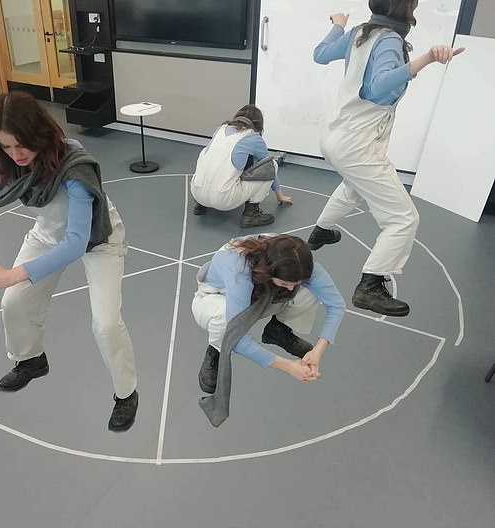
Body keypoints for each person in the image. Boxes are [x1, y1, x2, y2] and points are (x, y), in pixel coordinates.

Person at [0, 91, 138, 432]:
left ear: (40, 134)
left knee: (106, 323)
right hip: (48, 233)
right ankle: (31, 359)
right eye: (6, 147)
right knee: (14, 304)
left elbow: (76, 243)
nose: (16, 155)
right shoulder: (1, 163)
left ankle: (126, 393)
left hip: (98, 237)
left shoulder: (73, 165)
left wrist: (11, 274)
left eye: (21, 145)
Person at [306, 0, 464, 317]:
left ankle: (322, 230)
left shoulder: (360, 32)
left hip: (334, 138)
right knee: (403, 219)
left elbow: (320, 54)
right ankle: (370, 285)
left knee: (352, 185)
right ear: (407, 8)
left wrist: (338, 23)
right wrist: (425, 60)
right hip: (358, 144)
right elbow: (377, 87)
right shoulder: (389, 38)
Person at [191, 234, 345, 425]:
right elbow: (238, 338)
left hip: (261, 294)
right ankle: (216, 350)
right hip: (216, 297)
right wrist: (289, 366)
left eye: (293, 284)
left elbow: (336, 304)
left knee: (310, 290)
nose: (290, 289)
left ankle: (278, 330)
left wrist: (318, 351)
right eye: (285, 283)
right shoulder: (239, 272)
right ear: (270, 272)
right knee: (224, 322)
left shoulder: (297, 260)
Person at [190, 104, 293, 228]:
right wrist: (279, 195)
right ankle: (251, 214)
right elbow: (268, 167)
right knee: (272, 165)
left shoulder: (221, 129)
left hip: (196, 192)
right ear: (259, 124)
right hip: (224, 200)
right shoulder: (253, 137)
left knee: (207, 155)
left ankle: (201, 204)